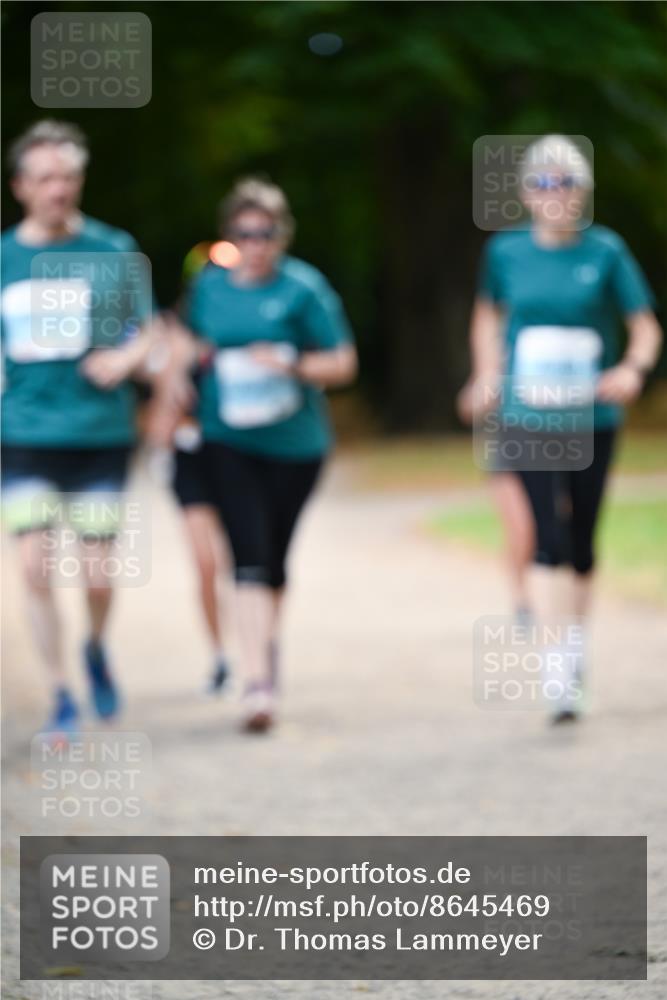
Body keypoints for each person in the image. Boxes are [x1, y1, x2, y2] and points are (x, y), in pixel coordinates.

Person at [464, 135, 662, 722]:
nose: (557, 194)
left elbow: (645, 326)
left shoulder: (606, 252)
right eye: (545, 183)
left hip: (592, 412)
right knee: (547, 532)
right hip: (528, 412)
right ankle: (554, 667)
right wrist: (485, 375)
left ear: (583, 192)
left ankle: (575, 650)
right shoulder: (505, 253)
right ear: (526, 192)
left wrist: (632, 368)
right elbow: (487, 318)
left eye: (567, 182)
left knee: (582, 536)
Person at [159, 177, 357, 731]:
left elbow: (342, 363)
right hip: (229, 440)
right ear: (230, 236)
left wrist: (292, 364)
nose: (255, 243)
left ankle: (263, 646)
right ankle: (257, 682)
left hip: (295, 447)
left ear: (282, 235)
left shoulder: (304, 290)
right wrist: (176, 375)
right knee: (245, 556)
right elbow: (186, 338)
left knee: (272, 559)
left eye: (266, 233)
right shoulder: (211, 289)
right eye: (244, 233)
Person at [1, 120, 156, 737]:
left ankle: (94, 647)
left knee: (96, 572)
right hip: (24, 432)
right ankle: (59, 692)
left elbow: (144, 329)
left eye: (67, 177)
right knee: (35, 565)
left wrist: (124, 357)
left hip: (97, 432)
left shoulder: (112, 250)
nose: (58, 189)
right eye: (45, 178)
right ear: (20, 187)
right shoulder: (5, 257)